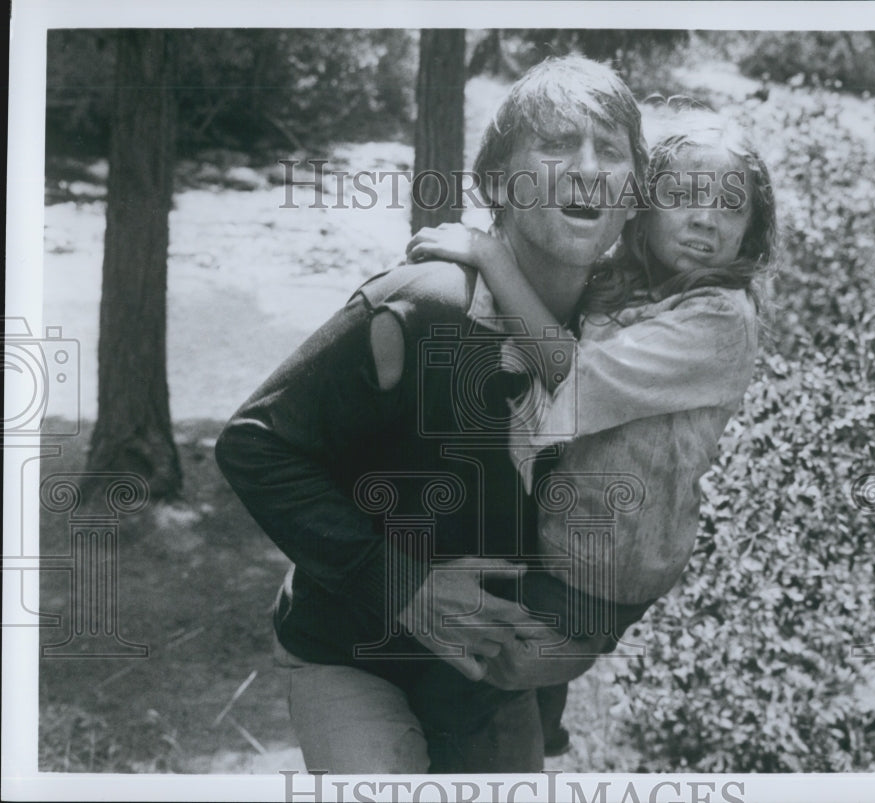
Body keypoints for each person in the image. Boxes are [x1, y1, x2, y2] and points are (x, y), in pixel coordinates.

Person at [214, 55, 648, 774]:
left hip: (489, 682)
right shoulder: (427, 306)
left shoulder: (636, 350)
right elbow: (257, 444)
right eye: (556, 143)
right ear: (497, 182)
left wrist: (588, 637)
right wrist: (403, 585)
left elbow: (653, 517)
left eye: (610, 150)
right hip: (351, 651)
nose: (587, 167)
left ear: (634, 197)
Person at [406, 105, 779, 751]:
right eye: (683, 196)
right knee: (508, 678)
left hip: (601, 571)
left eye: (731, 206)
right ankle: (541, 727)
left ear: (752, 230)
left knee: (466, 683)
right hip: (554, 536)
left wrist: (493, 259)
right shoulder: (625, 280)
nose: (705, 219)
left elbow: (571, 377)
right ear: (642, 203)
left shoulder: (719, 319)